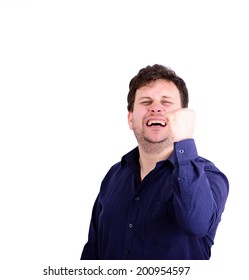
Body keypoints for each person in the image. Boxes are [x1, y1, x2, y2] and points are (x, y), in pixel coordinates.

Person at [80, 64, 229, 260]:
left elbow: (196, 223)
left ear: (182, 117)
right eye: (146, 101)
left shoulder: (210, 177)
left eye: (166, 102)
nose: (156, 108)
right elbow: (93, 253)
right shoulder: (113, 177)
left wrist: (184, 139)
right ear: (130, 119)